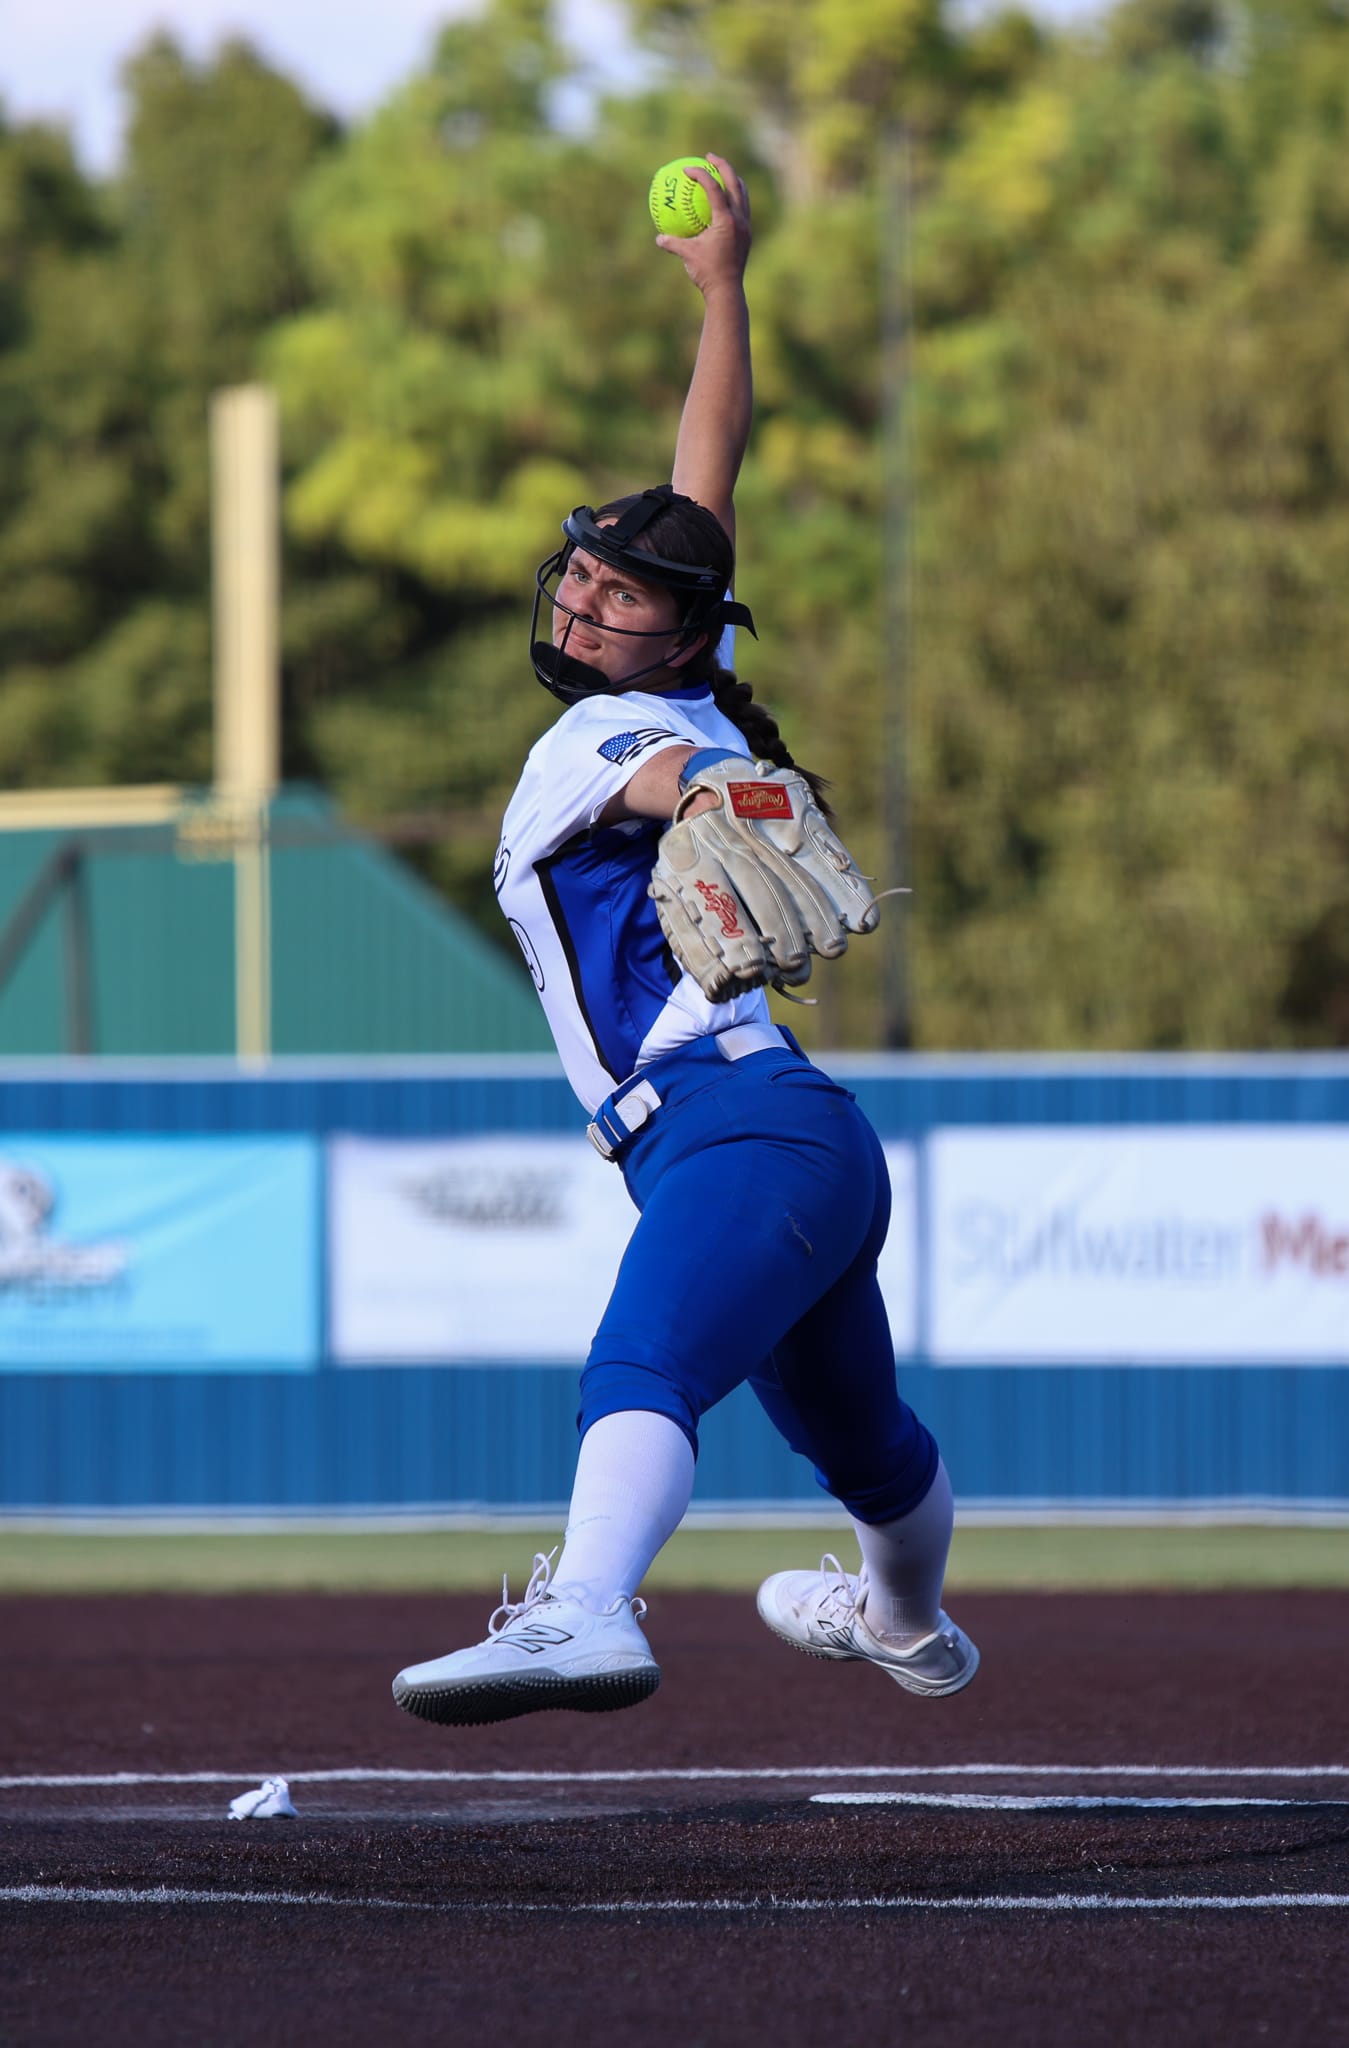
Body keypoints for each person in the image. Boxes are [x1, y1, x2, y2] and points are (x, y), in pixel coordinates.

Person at [393, 158, 978, 1727]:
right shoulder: (692, 664)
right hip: (802, 1148)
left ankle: (583, 1608)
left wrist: (720, 785)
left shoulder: (608, 743)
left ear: (685, 630)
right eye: (577, 574)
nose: (583, 605)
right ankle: (908, 1620)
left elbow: (674, 778)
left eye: (615, 594)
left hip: (734, 1131)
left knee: (638, 1366)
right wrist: (720, 287)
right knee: (869, 1452)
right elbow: (700, 489)